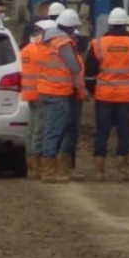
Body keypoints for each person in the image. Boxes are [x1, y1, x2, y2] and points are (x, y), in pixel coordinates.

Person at [85, 7, 129, 181]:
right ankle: (122, 170)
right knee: (124, 133)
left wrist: (92, 91)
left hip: (104, 96)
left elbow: (89, 73)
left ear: (110, 24)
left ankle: (99, 171)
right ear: (126, 24)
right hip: (126, 97)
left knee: (102, 133)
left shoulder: (98, 44)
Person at [37, 11, 86, 183]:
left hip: (45, 89)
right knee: (55, 131)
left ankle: (48, 168)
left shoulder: (45, 39)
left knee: (49, 129)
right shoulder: (63, 42)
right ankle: (50, 171)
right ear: (72, 27)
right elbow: (74, 67)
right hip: (59, 91)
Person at [20, 20, 50, 178]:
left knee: (31, 130)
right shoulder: (42, 50)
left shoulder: (26, 49)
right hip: (41, 93)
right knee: (39, 130)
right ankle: (36, 167)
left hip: (29, 94)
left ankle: (30, 164)